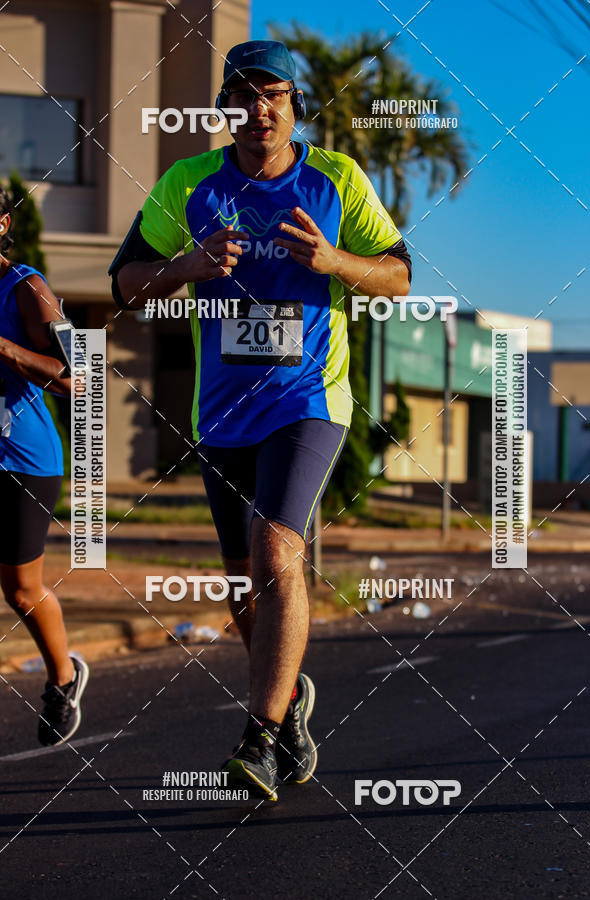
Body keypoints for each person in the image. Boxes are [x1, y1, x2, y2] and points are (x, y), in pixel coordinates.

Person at [110, 40, 411, 801]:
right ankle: (290, 702)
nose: (257, 109)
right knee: (245, 583)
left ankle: (260, 736)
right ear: (225, 110)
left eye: (271, 93)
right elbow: (123, 284)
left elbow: (400, 277)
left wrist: (335, 263)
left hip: (310, 398)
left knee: (276, 545)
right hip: (223, 415)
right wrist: (185, 268)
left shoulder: (336, 179)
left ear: (292, 105)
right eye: (241, 96)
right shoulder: (189, 184)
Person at [0, 185, 89, 746]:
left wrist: (4, 348)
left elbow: (76, 375)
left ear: (2, 224)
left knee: (20, 590)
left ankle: (62, 676)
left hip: (23, 460)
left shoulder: (26, 289)